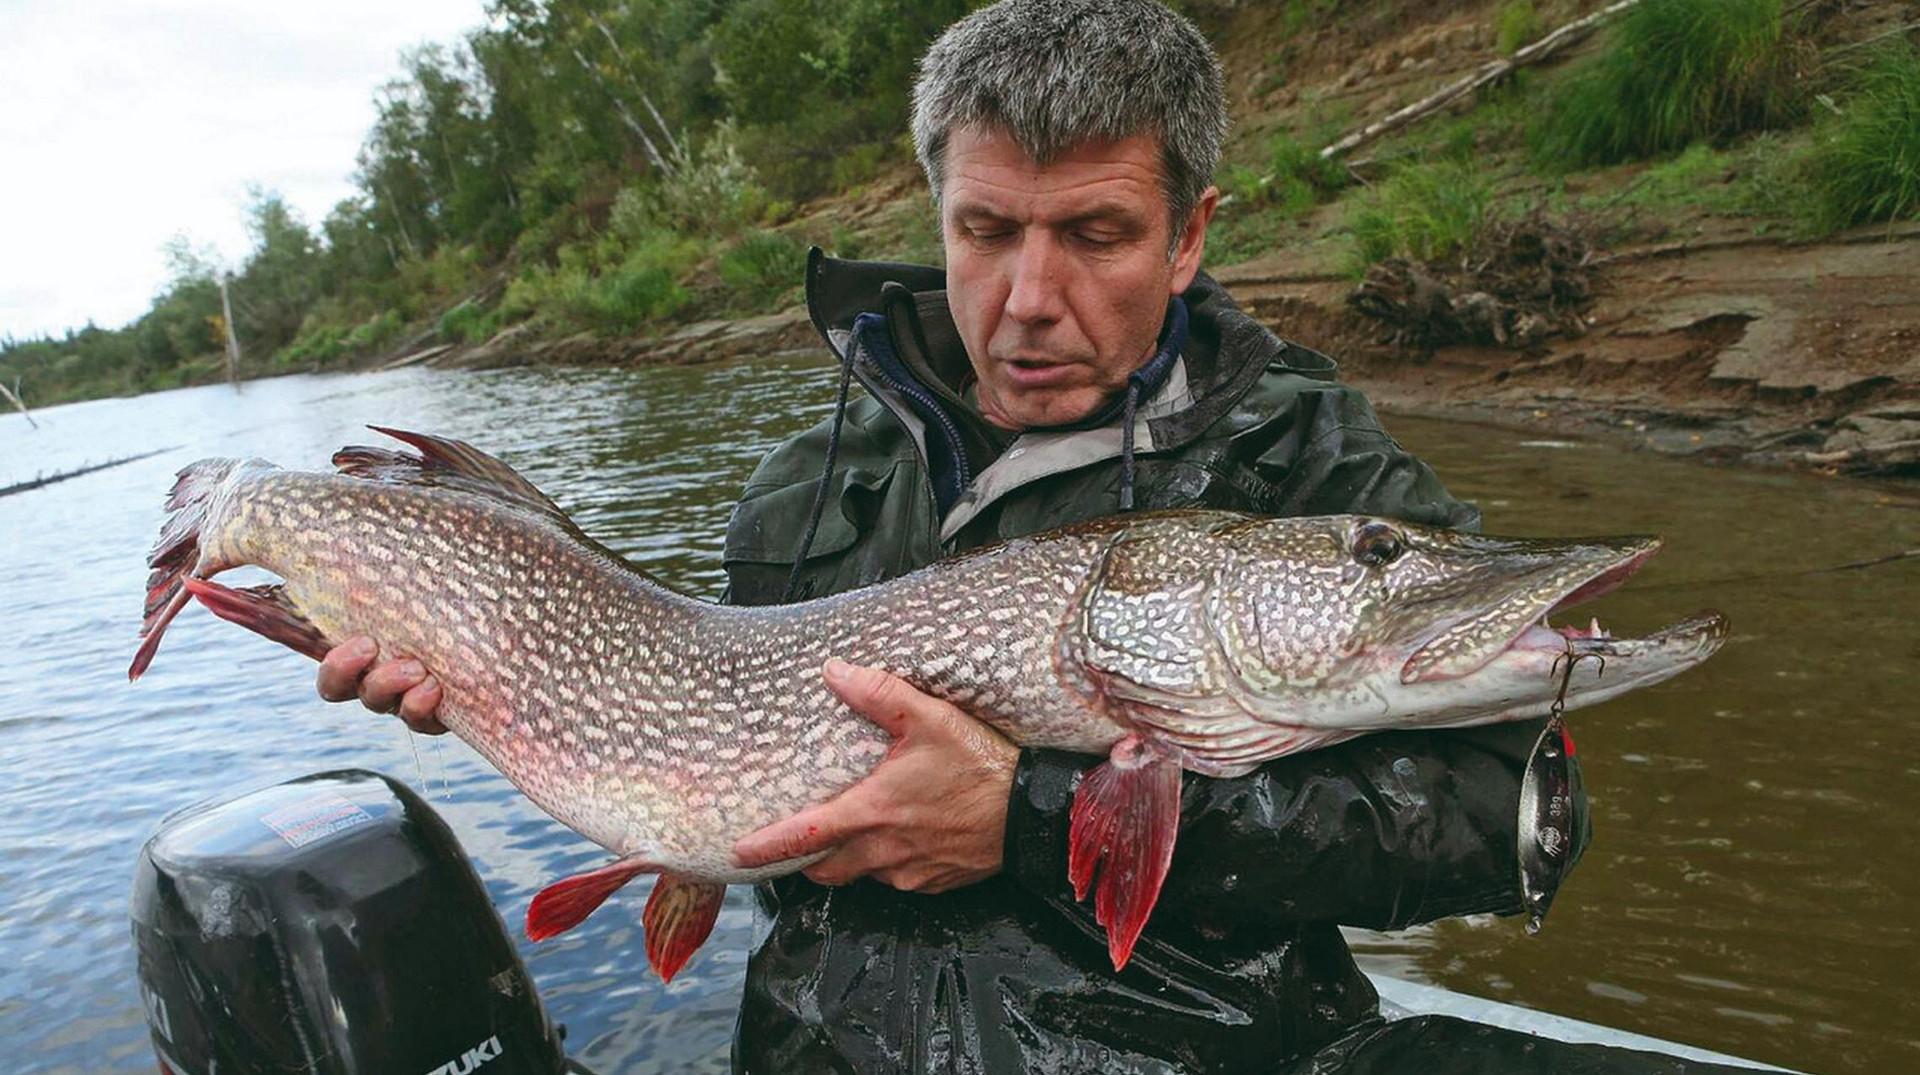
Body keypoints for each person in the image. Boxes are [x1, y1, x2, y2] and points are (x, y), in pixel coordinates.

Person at [318, 2, 1732, 1071]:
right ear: (939, 216)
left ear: (1189, 236)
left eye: (1096, 235)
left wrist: (1025, 823)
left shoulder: (1305, 466)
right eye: (987, 231)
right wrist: (490, 674)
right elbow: (690, 763)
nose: (1031, 297)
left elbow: (1509, 814)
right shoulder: (809, 485)